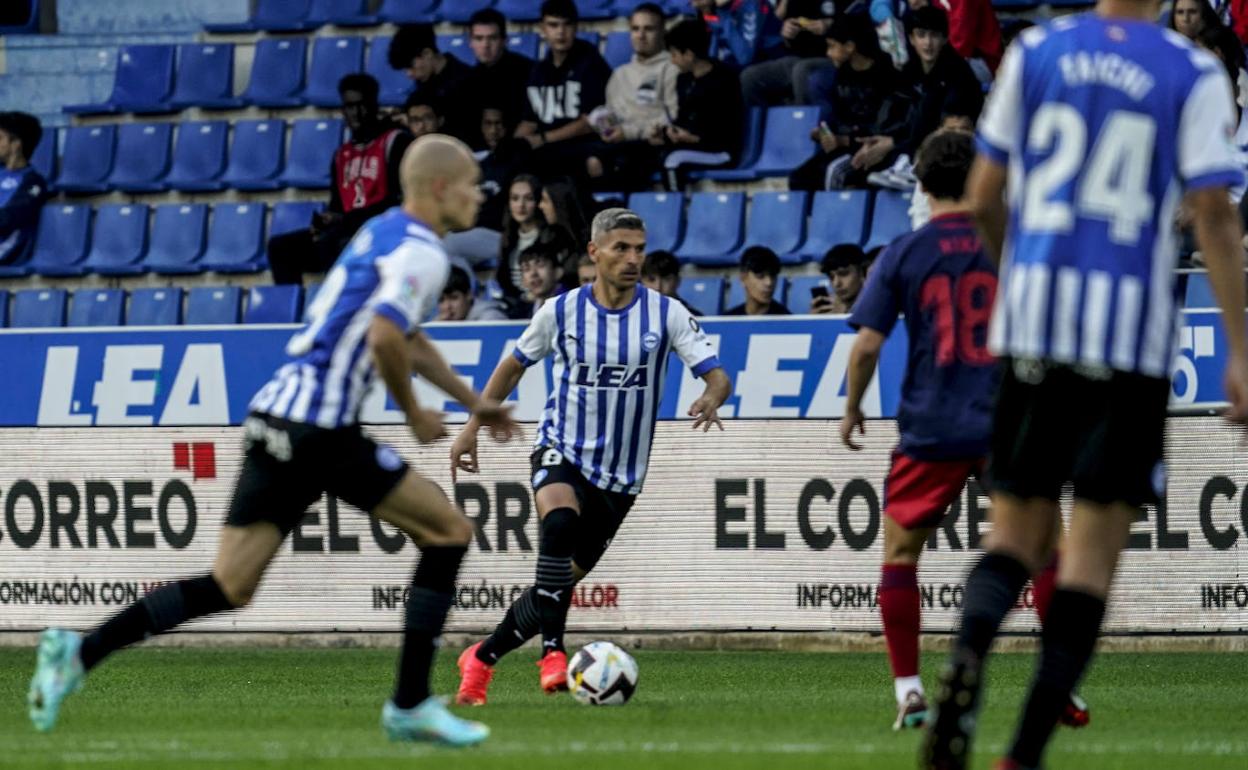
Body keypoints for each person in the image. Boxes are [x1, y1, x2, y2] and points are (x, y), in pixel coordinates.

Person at [27, 135, 523, 747]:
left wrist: (474, 402)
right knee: (449, 531)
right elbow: (385, 338)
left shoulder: (384, 232)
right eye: (474, 184)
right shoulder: (424, 255)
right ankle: (409, 704)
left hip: (274, 417)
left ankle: (78, 652)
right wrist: (415, 409)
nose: (482, 196)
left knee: (230, 585)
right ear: (441, 188)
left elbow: (409, 336)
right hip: (318, 427)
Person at [922, 6, 1248, 769]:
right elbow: (1213, 211)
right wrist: (1240, 347)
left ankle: (968, 654)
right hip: (1127, 334)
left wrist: (1020, 275)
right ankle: (1024, 753)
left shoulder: (1036, 52)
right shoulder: (1190, 70)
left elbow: (984, 194)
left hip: (1036, 323)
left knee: (1012, 539)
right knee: (1090, 560)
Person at [842, 130, 1086, 733]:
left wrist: (852, 407)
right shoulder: (1010, 243)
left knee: (901, 555)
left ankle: (909, 692)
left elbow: (867, 344)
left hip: (931, 424)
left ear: (921, 186)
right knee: (1045, 549)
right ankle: (1060, 686)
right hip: (1008, 420)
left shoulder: (903, 251)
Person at [450, 208, 732, 704]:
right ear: (594, 252)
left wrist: (712, 395)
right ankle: (553, 654)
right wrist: (472, 426)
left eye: (639, 249)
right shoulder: (560, 311)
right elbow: (512, 366)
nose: (633, 259)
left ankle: (481, 660)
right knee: (557, 524)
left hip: (621, 479)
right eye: (621, 248)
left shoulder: (666, 313)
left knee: (549, 592)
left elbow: (718, 374)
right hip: (561, 448)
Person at [267, 74, 414, 285]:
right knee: (280, 248)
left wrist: (345, 220)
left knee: (335, 242)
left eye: (361, 105)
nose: (356, 113)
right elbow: (337, 205)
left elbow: (397, 201)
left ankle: (337, 308)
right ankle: (289, 315)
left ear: (373, 105)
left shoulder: (395, 142)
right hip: (345, 230)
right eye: (349, 107)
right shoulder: (341, 154)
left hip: (380, 229)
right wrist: (326, 221)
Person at [860, 6, 983, 189]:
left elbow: (945, 124)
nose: (928, 43)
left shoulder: (958, 74)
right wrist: (885, 139)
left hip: (952, 151)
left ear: (945, 38)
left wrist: (895, 144)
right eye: (921, 35)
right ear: (911, 38)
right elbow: (902, 115)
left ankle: (910, 165)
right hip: (909, 146)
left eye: (934, 35)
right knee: (861, 167)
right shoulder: (911, 70)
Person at [790, 16, 910, 191]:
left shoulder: (886, 76)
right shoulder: (842, 75)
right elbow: (840, 117)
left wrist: (844, 140)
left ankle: (834, 218)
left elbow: (881, 128)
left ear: (850, 47)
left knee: (835, 172)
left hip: (872, 149)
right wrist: (824, 134)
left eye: (832, 46)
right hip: (846, 146)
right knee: (798, 178)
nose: (828, 53)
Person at [515, 0, 613, 180]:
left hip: (582, 145)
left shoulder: (590, 63)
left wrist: (543, 139)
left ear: (576, 28)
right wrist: (512, 145)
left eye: (567, 25)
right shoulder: (539, 70)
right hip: (549, 148)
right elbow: (529, 122)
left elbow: (590, 122)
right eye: (553, 25)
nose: (561, 32)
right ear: (542, 29)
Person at [585, 3, 679, 189]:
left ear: (662, 32)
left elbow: (672, 117)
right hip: (617, 144)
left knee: (621, 161)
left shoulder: (672, 69)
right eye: (635, 29)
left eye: (648, 29)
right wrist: (604, 125)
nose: (641, 36)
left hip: (649, 145)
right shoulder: (619, 74)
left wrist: (628, 132)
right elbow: (610, 114)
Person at [656, 18, 746, 189]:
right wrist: (667, 132)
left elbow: (729, 127)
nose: (672, 61)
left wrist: (695, 138)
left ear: (689, 54)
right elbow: (683, 118)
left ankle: (675, 209)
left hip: (719, 151)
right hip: (691, 144)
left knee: (672, 160)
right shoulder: (683, 79)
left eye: (675, 55)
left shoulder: (725, 80)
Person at [740, 0, 837, 108]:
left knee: (801, 69)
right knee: (749, 76)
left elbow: (852, 19)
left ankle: (804, 122)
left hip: (831, 58)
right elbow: (775, 27)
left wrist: (828, 25)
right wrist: (784, 29)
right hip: (795, 58)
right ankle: (761, 122)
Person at [388, 24, 473, 141]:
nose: (409, 74)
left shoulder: (466, 81)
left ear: (427, 54)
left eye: (410, 66)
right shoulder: (424, 80)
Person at [464, 8, 534, 140]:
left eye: (492, 38)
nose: (485, 45)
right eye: (479, 39)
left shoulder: (528, 71)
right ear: (470, 42)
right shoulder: (468, 80)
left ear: (504, 40)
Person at [0, 111, 49, 268]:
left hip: (5, 250)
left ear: (16, 144)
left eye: (0, 138)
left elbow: (8, 220)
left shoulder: (33, 183)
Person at [691, 0, 785, 69]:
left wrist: (723, 16)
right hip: (736, 64)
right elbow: (713, 56)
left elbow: (745, 58)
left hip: (769, 61)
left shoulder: (751, 3)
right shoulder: (713, 10)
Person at [498, 175, 548, 301]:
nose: (521, 205)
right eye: (515, 198)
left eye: (528, 198)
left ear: (538, 201)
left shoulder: (550, 237)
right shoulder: (507, 239)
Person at [724, 246, 792, 315]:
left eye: (773, 276)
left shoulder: (785, 320)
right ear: (743, 278)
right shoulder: (729, 320)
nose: (769, 283)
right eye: (760, 276)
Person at [642, 248, 702, 315]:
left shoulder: (691, 317)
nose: (657, 287)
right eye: (651, 280)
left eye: (666, 279)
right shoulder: (632, 313)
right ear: (641, 281)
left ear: (678, 281)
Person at [438, 266, 508, 322]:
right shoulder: (439, 322)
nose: (447, 306)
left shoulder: (491, 318)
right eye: (441, 300)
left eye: (453, 298)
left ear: (469, 295)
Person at [811, 244, 867, 313]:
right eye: (831, 277)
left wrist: (840, 318)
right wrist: (815, 321)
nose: (836, 283)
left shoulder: (879, 305)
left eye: (843, 274)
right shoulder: (831, 308)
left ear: (862, 273)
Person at [518, 239, 568, 314]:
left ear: (558, 272)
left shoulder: (570, 303)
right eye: (526, 269)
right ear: (523, 281)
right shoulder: (521, 311)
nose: (533, 273)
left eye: (540, 265)